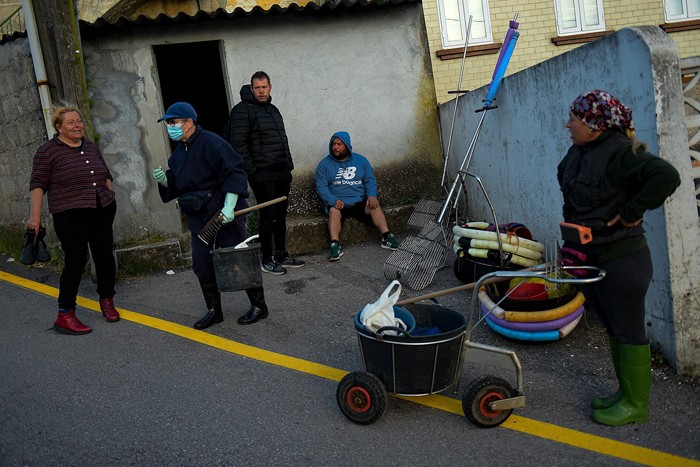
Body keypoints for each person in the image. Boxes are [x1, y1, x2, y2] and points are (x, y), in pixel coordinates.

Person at [557, 90, 680, 426]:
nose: (568, 124)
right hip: (591, 255)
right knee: (612, 327)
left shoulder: (622, 153)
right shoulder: (580, 150)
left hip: (623, 258)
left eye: (574, 119)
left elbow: (666, 176)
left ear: (595, 125)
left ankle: (636, 405)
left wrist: (630, 212)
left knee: (628, 330)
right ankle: (623, 394)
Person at [153, 102, 269, 327]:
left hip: (223, 211)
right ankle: (214, 310)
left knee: (238, 258)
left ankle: (259, 306)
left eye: (173, 122)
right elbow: (180, 184)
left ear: (188, 122)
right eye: (168, 123)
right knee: (202, 263)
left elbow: (234, 171)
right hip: (198, 217)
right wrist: (166, 181)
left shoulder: (213, 143)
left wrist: (229, 206)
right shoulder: (178, 154)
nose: (170, 127)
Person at [28, 106, 120, 335]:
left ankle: (107, 300)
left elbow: (105, 173)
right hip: (70, 216)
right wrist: (35, 217)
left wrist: (109, 192)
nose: (78, 125)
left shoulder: (89, 146)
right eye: (71, 123)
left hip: (101, 210)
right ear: (59, 127)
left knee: (104, 256)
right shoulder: (47, 151)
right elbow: (38, 184)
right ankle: (65, 313)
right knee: (76, 261)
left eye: (79, 121)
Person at [227, 71, 303, 275]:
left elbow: (282, 139)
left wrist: (289, 166)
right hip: (262, 174)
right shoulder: (242, 110)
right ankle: (266, 258)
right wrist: (254, 172)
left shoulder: (273, 109)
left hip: (281, 172)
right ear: (251, 89)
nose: (261, 91)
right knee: (267, 217)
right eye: (257, 88)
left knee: (280, 215)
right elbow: (238, 144)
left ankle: (281, 254)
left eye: (264, 87)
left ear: (270, 88)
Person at [315, 131, 400, 261]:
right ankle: (335, 245)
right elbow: (321, 187)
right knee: (333, 211)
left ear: (347, 145)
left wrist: (372, 195)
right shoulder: (324, 164)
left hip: (359, 201)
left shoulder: (361, 160)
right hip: (339, 203)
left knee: (374, 206)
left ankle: (387, 236)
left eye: (339, 144)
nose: (335, 147)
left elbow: (370, 180)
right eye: (333, 144)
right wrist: (332, 200)